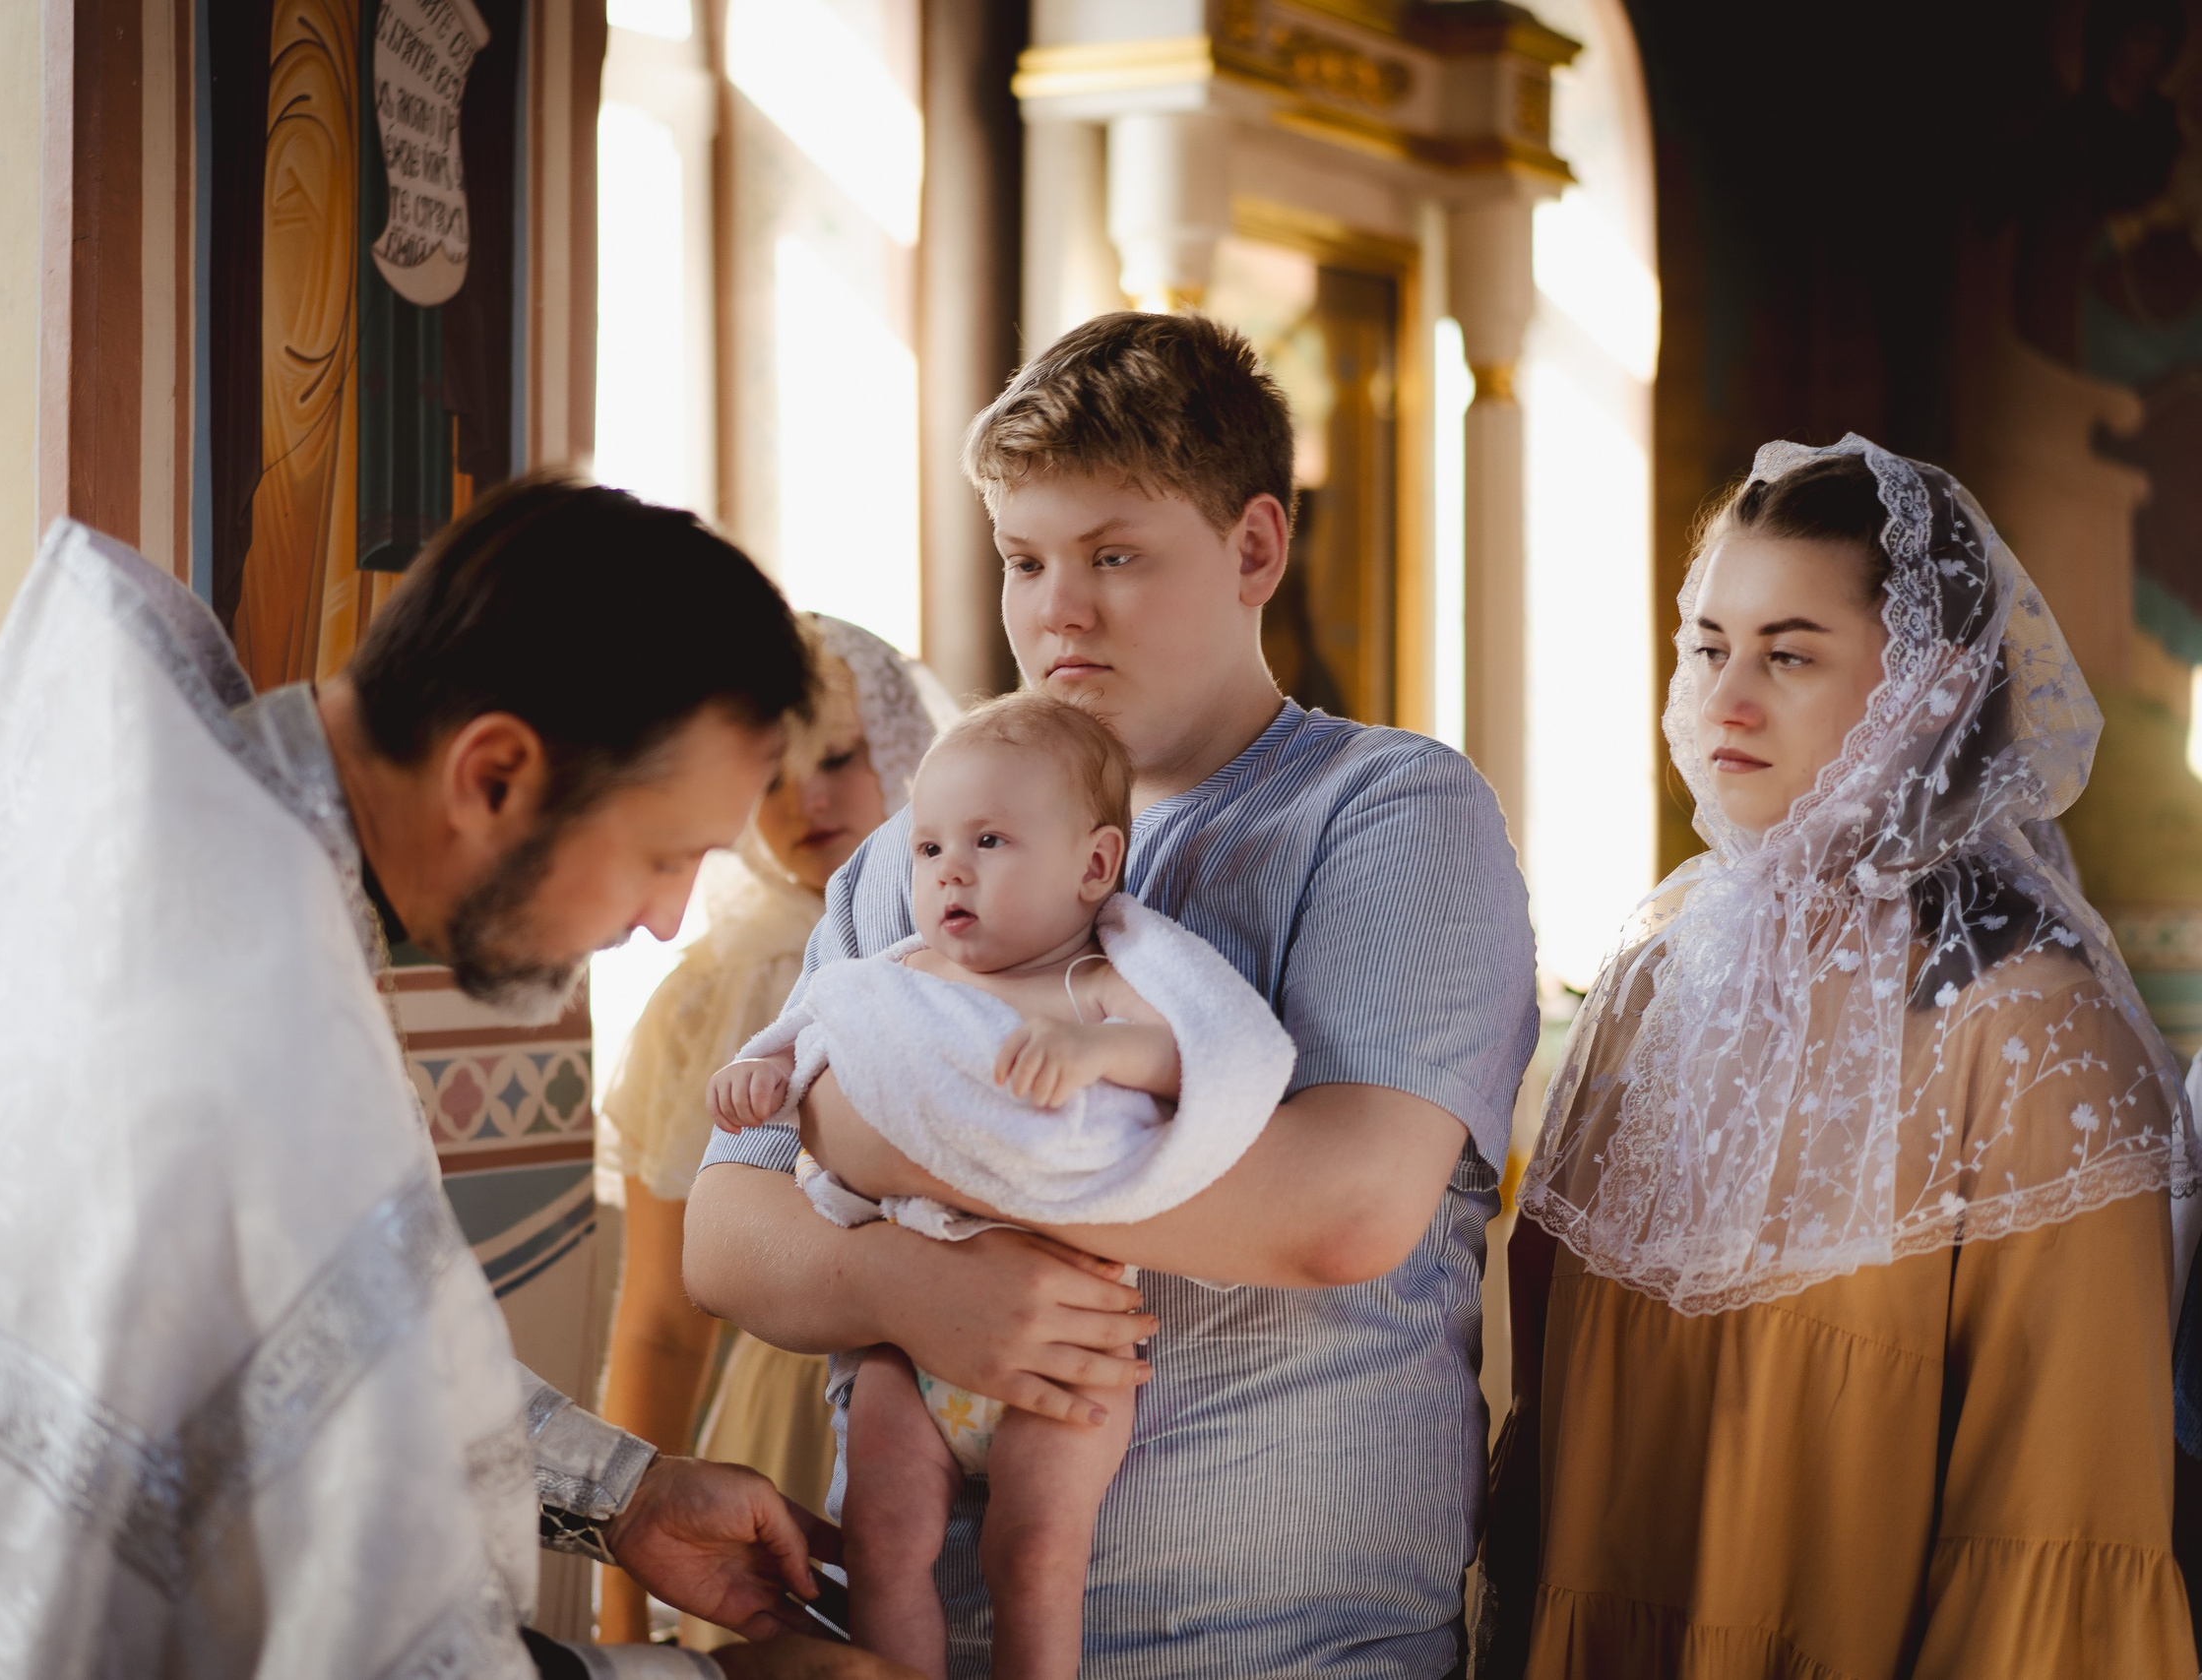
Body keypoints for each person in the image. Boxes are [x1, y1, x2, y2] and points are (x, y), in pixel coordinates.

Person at [0, 479, 911, 1680]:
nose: (665, 917)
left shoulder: (177, 830)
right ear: (493, 773)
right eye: (664, 855)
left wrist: (621, 1496)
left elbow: (308, 1371)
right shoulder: (254, 1032)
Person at [684, 311, 1540, 1678]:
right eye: (1024, 559)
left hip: (1283, 1650)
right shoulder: (920, 848)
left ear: (1254, 548)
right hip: (920, 1643)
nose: (1056, 610)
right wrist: (894, 1279)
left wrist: (870, 1137)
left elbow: (1341, 1210)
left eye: (1114, 556)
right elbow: (727, 1230)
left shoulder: (1384, 810)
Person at [1486, 437, 2200, 1678]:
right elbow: (1549, 1431)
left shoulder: (2034, 1036)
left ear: (1929, 690)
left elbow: (2055, 1524)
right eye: (1708, 648)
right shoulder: (1653, 977)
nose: (1725, 702)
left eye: (1789, 654)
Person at [711, 691, 1293, 1680]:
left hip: (1070, 1345)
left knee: (1034, 1555)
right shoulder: (904, 973)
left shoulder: (1093, 983)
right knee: (882, 1540)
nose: (950, 870)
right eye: (929, 847)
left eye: (989, 840)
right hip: (905, 1344)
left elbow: (1193, 1053)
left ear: (1093, 866)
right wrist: (764, 1073)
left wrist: (1095, 1051)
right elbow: (823, 1030)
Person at [597, 614, 941, 1646]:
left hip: (971, 1399)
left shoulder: (1002, 949)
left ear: (902, 747)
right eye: (771, 777)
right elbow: (660, 1323)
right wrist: (619, 1606)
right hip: (783, 1422)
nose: (808, 803)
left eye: (838, 759)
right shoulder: (703, 1001)